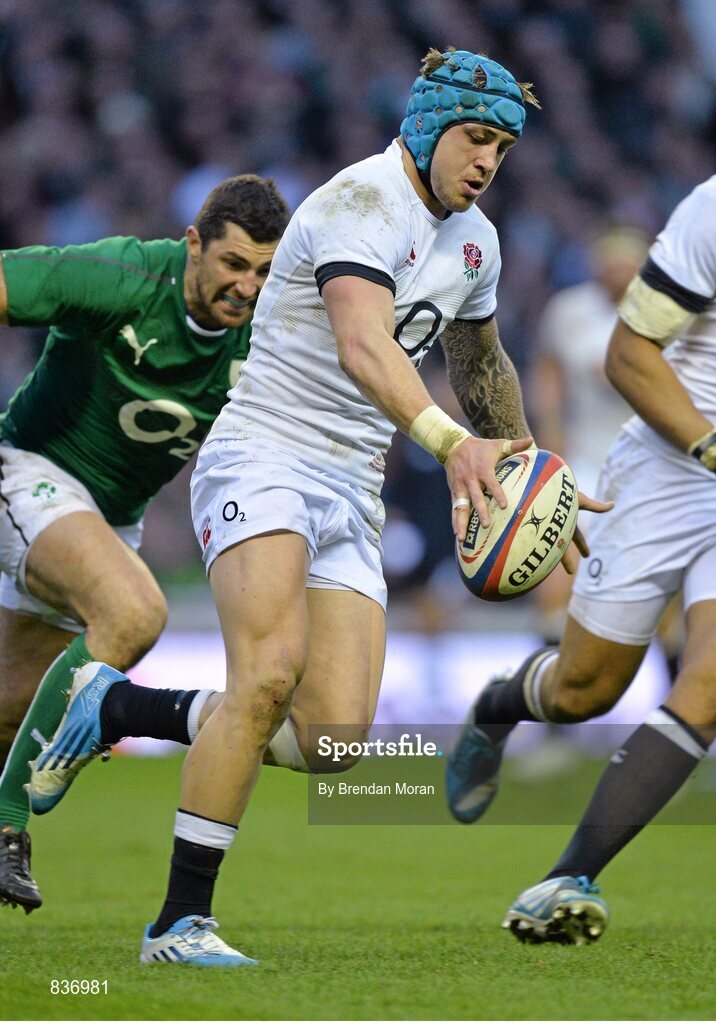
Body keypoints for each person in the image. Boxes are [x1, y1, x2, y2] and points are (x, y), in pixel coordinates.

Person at [33, 46, 608, 967]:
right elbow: (361, 344)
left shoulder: (477, 243)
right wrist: (453, 444)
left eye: (502, 144)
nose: (489, 161)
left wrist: (529, 473)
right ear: (427, 129)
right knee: (267, 674)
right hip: (264, 456)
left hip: (353, 484)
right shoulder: (360, 202)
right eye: (475, 138)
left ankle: (117, 712)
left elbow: (479, 362)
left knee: (333, 744)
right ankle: (177, 926)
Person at [0, 175, 290, 913]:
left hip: (106, 522)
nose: (245, 287)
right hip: (29, 470)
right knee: (134, 614)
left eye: (262, 271)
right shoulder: (121, 275)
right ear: (194, 244)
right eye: (232, 264)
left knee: (11, 707)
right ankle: (7, 825)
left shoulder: (268, 335)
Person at [445, 176, 716, 944]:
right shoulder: (712, 212)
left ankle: (569, 874)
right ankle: (500, 705)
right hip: (670, 462)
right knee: (583, 691)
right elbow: (630, 359)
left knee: (709, 683)